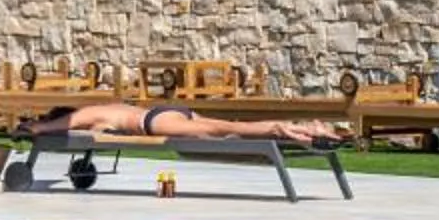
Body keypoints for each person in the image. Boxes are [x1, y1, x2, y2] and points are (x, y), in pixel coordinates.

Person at [30, 101, 344, 146]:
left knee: (228, 130)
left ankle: (280, 129)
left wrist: (31, 128)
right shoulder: (108, 107)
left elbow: (48, 128)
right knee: (224, 125)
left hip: (153, 122)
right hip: (167, 111)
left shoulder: (87, 113)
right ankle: (310, 128)